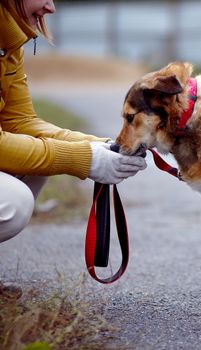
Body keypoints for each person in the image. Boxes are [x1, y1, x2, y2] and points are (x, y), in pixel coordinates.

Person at [0, 0, 147, 245]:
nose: (51, 7)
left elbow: (19, 121)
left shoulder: (8, 45)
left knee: (35, 162)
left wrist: (96, 145)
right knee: (13, 203)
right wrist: (84, 159)